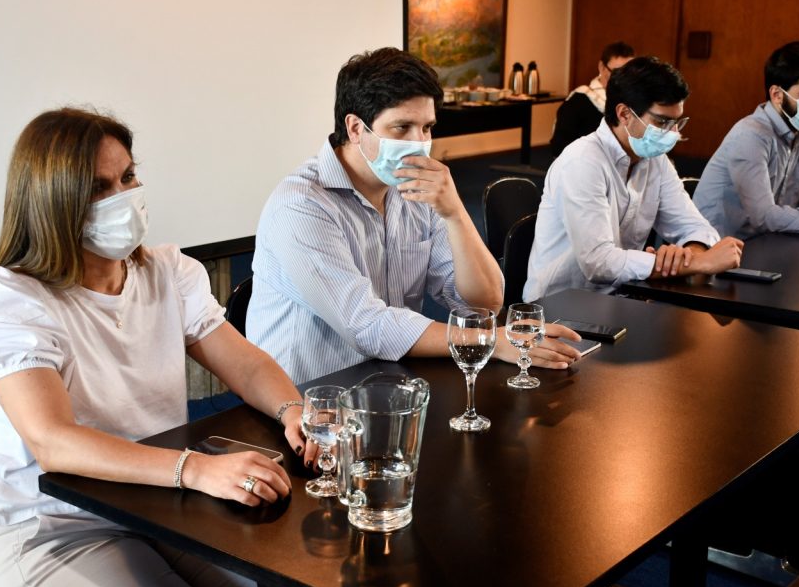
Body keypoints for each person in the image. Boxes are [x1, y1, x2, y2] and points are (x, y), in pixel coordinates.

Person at [0, 108, 306, 587]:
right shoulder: (12, 297)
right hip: (52, 533)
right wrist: (196, 469)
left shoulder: (168, 270)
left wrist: (294, 409)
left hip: (161, 510)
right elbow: (53, 442)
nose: (123, 196)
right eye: (98, 188)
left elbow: (245, 363)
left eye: (127, 177)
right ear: (53, 200)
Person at [246, 47, 581, 386]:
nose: (419, 143)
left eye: (427, 128)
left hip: (387, 383)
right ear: (356, 128)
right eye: (402, 127)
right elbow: (365, 325)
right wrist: (487, 340)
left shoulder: (415, 190)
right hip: (305, 399)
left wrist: (455, 213)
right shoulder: (301, 205)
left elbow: (485, 303)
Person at [524, 56, 744, 301]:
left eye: (677, 122)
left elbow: (695, 227)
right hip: (559, 306)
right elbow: (598, 262)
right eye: (662, 121)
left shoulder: (655, 160)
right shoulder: (582, 161)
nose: (672, 133)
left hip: (621, 296)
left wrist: (693, 253)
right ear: (624, 114)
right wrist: (696, 264)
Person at [693, 41, 799, 239]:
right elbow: (764, 217)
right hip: (715, 246)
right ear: (777, 95)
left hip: (767, 241)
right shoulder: (750, 135)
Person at [549, 41, 635, 157]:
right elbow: (559, 146)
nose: (623, 78)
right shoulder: (579, 100)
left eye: (628, 73)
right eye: (617, 72)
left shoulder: (636, 100)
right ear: (602, 67)